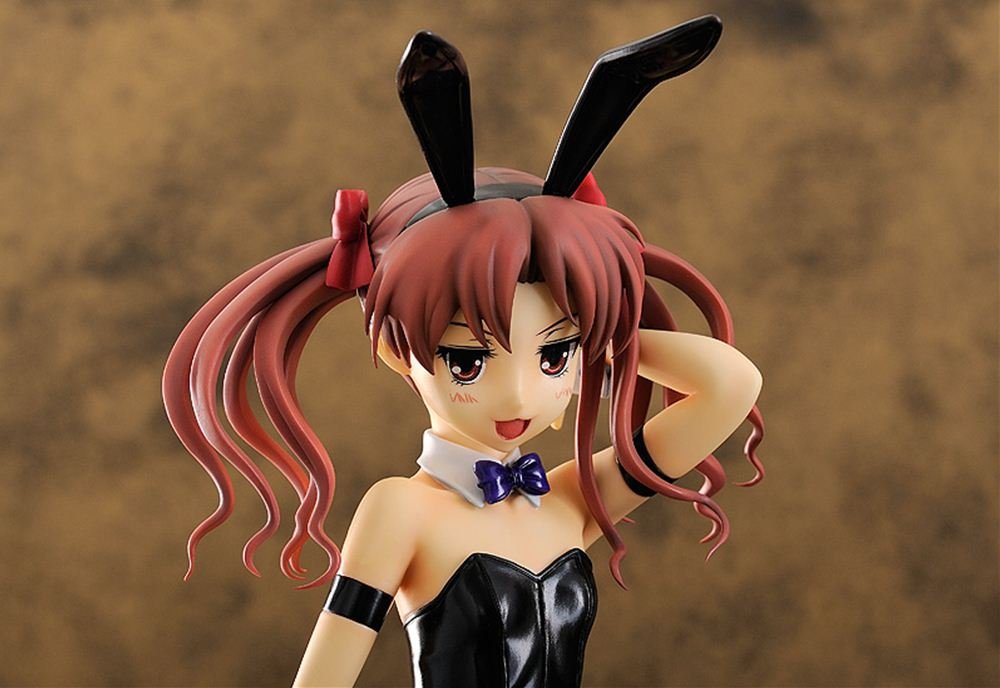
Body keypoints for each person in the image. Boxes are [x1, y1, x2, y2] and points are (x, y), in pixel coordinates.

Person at [163, 16, 765, 688]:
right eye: (469, 361)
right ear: (398, 353)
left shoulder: (571, 501)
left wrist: (600, 332)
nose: (519, 395)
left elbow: (730, 386)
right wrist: (573, 343)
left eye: (552, 358)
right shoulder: (401, 510)